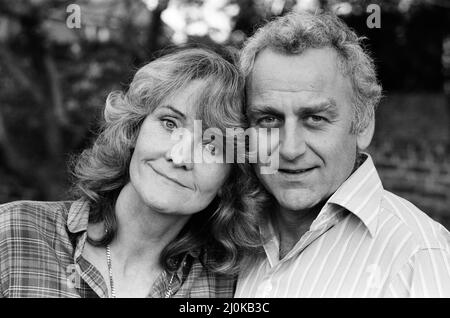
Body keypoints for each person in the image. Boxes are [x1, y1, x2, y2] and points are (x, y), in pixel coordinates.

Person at [0, 46, 261, 297]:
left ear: (231, 177)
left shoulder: (232, 286)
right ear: (135, 128)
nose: (179, 156)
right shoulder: (14, 232)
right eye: (170, 124)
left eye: (211, 144)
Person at [235, 11, 450, 297]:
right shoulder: (227, 234)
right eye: (269, 120)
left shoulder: (418, 254)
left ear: (362, 124)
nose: (289, 149)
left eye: (315, 119)